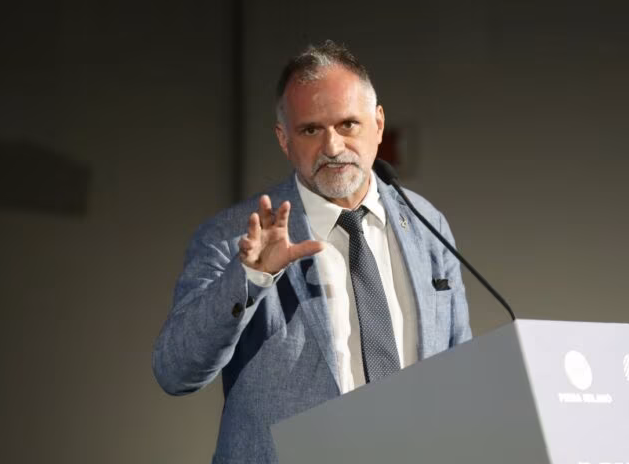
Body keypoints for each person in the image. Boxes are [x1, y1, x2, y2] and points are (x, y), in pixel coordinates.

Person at [152, 40, 471, 464]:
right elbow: (176, 372)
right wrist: (249, 278)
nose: (333, 147)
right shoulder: (233, 236)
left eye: (348, 125)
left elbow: (459, 367)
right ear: (284, 139)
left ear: (378, 125)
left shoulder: (426, 224)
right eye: (310, 130)